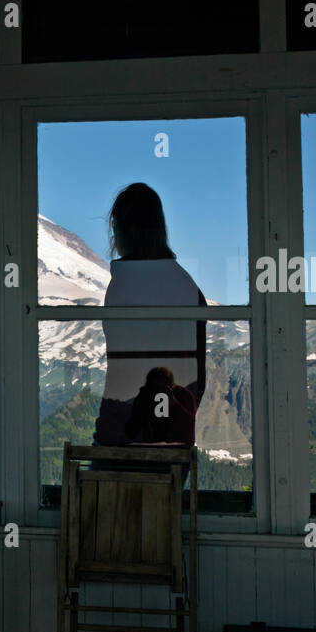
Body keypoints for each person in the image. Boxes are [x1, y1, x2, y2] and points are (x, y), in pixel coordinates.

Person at [93, 182, 207, 450]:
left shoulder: (121, 287)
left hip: (117, 437)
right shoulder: (189, 289)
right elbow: (197, 378)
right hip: (174, 440)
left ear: (120, 230)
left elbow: (121, 373)